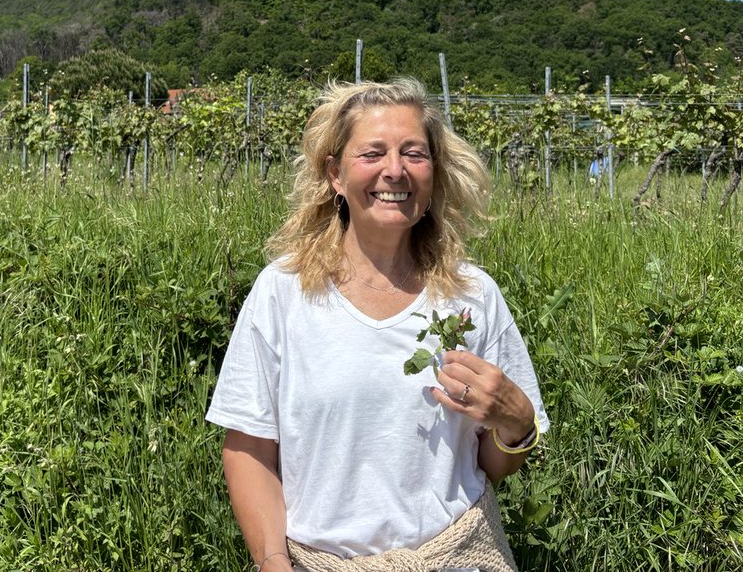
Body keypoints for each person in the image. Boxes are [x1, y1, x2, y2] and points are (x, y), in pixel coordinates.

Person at [207, 78, 549, 571]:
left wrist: (516, 427)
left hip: (456, 558)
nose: (396, 170)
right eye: (373, 153)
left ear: (434, 172)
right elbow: (248, 449)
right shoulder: (283, 293)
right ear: (335, 175)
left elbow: (491, 466)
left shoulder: (472, 297)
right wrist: (275, 563)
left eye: (414, 153)